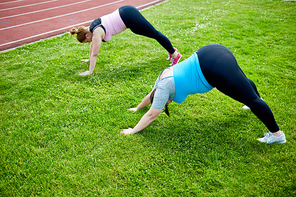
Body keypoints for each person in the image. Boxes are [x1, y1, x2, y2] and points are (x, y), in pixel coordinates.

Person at [121, 44, 286, 144]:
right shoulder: (162, 78)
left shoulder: (163, 89)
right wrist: (137, 108)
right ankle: (255, 100)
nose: (167, 103)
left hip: (213, 68)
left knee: (251, 99)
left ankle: (277, 135)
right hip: (211, 52)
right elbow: (150, 97)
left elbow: (152, 114)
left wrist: (132, 130)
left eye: (164, 103)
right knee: (242, 82)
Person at [69, 5, 182, 76]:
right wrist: (89, 60)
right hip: (126, 16)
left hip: (129, 16)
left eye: (87, 41)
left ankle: (175, 54)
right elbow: (92, 47)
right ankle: (170, 49)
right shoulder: (91, 29)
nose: (89, 43)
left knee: (155, 33)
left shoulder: (96, 32)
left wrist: (90, 72)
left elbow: (95, 53)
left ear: (87, 36)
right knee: (151, 34)